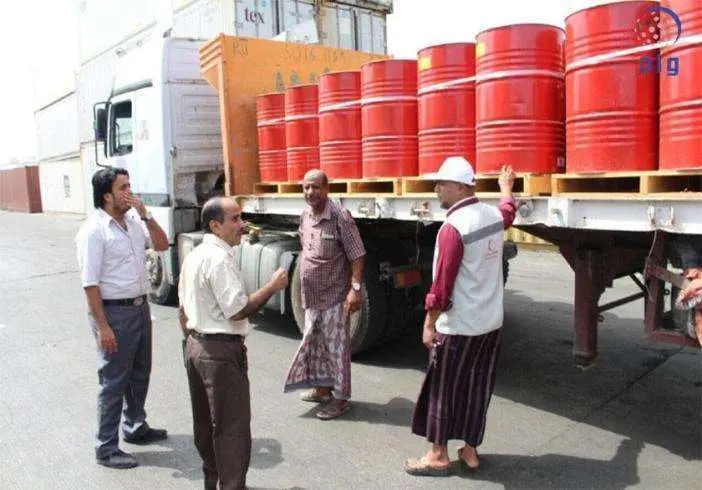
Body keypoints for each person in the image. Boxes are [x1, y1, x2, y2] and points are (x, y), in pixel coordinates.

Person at [405, 157, 517, 476]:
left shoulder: (452, 229)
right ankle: (470, 450)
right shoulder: (491, 216)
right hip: (490, 324)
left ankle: (438, 454)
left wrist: (429, 324)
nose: (437, 188)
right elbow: (508, 212)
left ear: (460, 187)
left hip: (459, 326)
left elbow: (441, 288)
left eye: (441, 184)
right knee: (477, 386)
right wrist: (506, 189)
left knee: (443, 388)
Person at [178, 196, 288, 490]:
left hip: (196, 347)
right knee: (231, 430)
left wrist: (193, 344)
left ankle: (213, 483)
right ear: (215, 225)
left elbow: (182, 310)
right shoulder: (218, 258)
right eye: (235, 219)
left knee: (205, 425)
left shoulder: (195, 255)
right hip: (219, 352)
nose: (242, 225)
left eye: (241, 217)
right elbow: (238, 309)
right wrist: (273, 286)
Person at [76, 167, 170, 469]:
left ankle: (135, 426)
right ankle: (105, 448)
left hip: (140, 307)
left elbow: (161, 244)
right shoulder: (94, 230)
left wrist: (146, 215)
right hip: (113, 312)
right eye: (123, 188)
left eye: (130, 185)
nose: (130, 192)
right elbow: (90, 283)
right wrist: (103, 326)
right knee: (113, 380)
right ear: (106, 196)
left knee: (140, 372)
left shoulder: (131, 221)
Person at [283, 169, 366, 420]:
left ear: (327, 188)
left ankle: (340, 399)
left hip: (334, 297)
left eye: (316, 187)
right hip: (311, 297)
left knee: (336, 349)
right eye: (306, 188)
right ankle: (322, 390)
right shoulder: (305, 215)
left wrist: (355, 290)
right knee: (315, 344)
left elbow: (357, 254)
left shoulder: (340, 216)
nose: (310, 193)